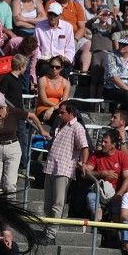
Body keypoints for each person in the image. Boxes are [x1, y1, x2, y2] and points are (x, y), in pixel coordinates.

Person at [42, 102, 89, 245]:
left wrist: (84, 163)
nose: (59, 115)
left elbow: (84, 146)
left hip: (63, 169)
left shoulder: (77, 127)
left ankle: (51, 234)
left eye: (62, 113)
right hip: (51, 167)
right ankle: (47, 230)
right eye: (59, 113)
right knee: (47, 204)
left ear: (71, 113)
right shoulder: (59, 126)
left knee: (58, 203)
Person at [0, 91, 47, 197]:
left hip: (12, 147)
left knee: (9, 184)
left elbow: (32, 116)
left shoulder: (13, 112)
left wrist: (42, 130)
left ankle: (9, 210)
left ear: (3, 105)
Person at [84, 128, 128, 221]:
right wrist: (102, 173)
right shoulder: (96, 155)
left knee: (118, 208)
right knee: (91, 197)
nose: (102, 144)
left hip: (116, 192)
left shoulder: (122, 156)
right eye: (102, 141)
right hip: (100, 191)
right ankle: (98, 223)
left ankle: (113, 232)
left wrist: (119, 194)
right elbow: (85, 174)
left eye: (106, 142)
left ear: (113, 145)